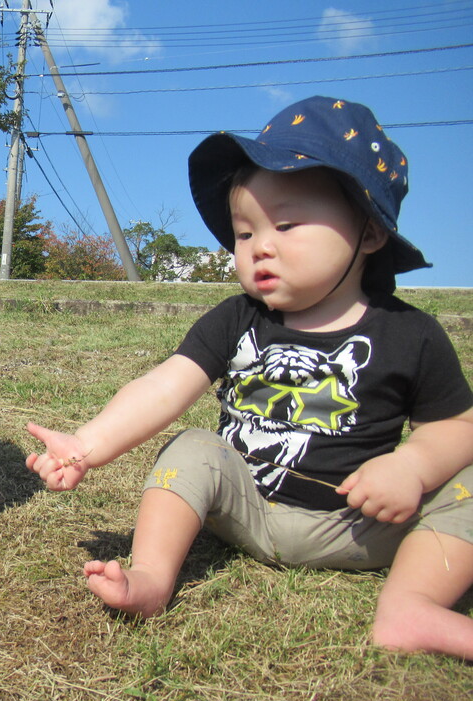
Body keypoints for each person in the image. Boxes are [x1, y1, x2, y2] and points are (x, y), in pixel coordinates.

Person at [26, 96, 473, 660]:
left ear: (370, 234)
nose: (259, 245)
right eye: (243, 233)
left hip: (361, 527)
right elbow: (166, 385)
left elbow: (457, 426)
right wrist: (86, 443)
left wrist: (412, 465)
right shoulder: (238, 318)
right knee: (192, 446)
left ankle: (413, 604)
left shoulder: (413, 335)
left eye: (286, 224)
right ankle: (151, 578)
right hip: (247, 512)